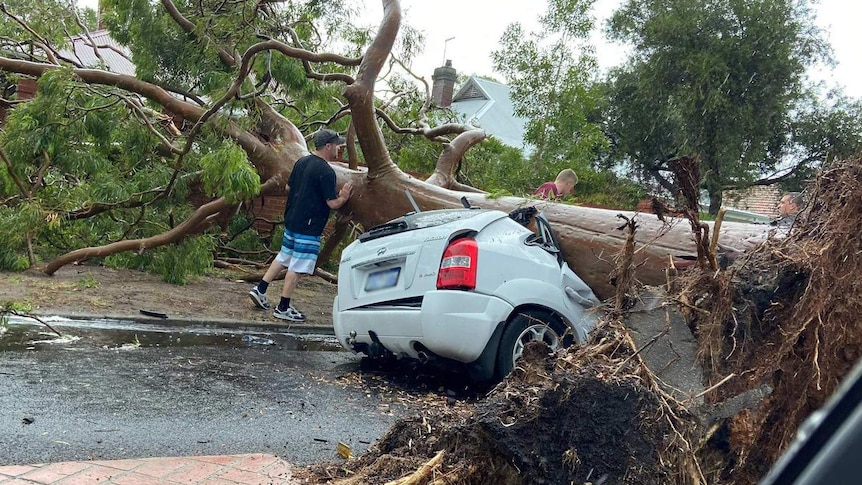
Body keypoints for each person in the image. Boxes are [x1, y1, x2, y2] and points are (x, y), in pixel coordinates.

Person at [248, 129, 353, 321]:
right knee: (296, 267)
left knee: (283, 257)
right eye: (337, 145)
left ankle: (260, 289)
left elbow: (289, 187)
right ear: (328, 146)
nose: (339, 148)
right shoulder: (326, 171)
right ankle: (283, 307)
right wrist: (344, 197)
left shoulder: (301, 162)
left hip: (293, 220)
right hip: (309, 226)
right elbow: (332, 203)